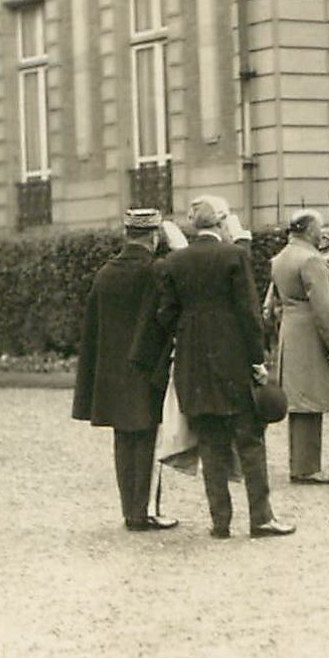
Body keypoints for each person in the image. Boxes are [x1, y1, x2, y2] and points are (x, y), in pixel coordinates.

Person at [136, 194, 294, 539]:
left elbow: (165, 314)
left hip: (193, 363)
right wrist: (257, 360)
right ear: (221, 222)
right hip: (233, 359)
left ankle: (220, 521)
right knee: (249, 439)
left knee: (210, 442)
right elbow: (249, 314)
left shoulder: (177, 262)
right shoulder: (234, 256)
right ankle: (261, 518)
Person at [72, 209, 176, 532]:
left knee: (123, 440)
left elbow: (92, 331)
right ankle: (144, 511)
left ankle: (130, 509)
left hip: (112, 372)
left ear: (127, 234)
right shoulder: (155, 271)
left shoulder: (105, 273)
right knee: (147, 438)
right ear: (154, 235)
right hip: (146, 367)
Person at [265, 210, 329, 485]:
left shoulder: (280, 258)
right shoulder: (310, 259)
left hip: (290, 327)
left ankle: (300, 464)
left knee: (298, 399)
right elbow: (323, 308)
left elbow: (272, 302)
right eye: (319, 227)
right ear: (309, 230)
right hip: (310, 330)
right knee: (311, 399)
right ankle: (307, 467)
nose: (322, 233)